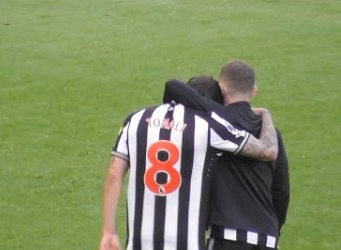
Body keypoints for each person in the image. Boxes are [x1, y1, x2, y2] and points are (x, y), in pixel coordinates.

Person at [98, 80, 279, 250]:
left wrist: (108, 231)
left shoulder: (134, 120)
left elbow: (114, 174)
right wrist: (265, 115)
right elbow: (268, 151)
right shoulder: (209, 126)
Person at [163, 60, 290, 250]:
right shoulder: (270, 134)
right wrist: (273, 231)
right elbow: (281, 192)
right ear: (253, 91)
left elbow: (173, 86)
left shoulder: (213, 121)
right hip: (267, 239)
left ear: (221, 90)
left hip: (227, 237)